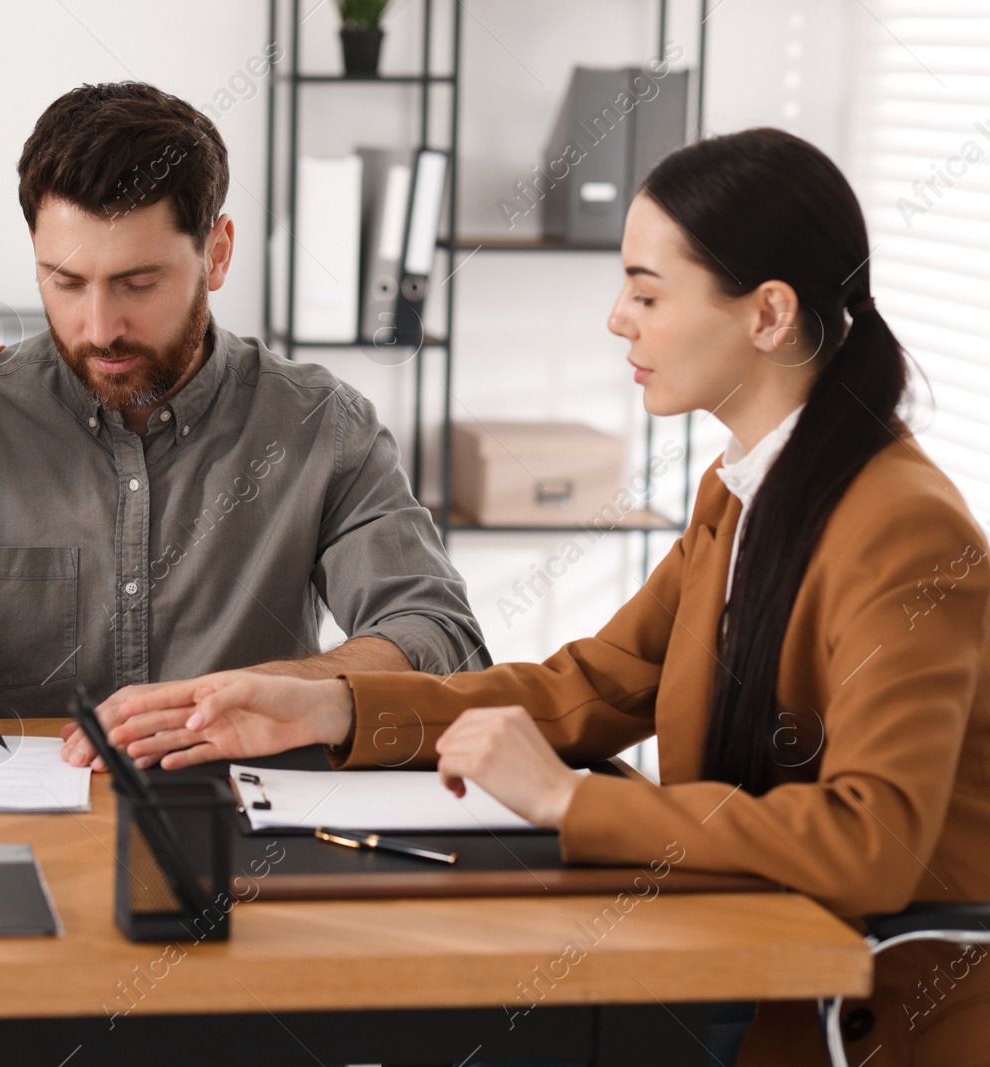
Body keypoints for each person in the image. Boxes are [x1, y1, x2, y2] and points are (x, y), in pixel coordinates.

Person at [98, 129, 990, 1066]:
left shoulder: (903, 528)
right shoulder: (747, 486)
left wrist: (566, 798)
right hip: (751, 966)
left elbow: (872, 838)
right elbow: (601, 683)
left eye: (647, 293)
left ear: (767, 313)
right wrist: (332, 705)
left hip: (872, 1026)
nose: (617, 319)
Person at [0, 82, 490, 753]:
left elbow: (442, 637)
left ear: (217, 253)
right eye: (65, 280)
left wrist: (298, 692)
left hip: (240, 829)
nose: (100, 327)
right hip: (21, 830)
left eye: (138, 284)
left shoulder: (324, 426)